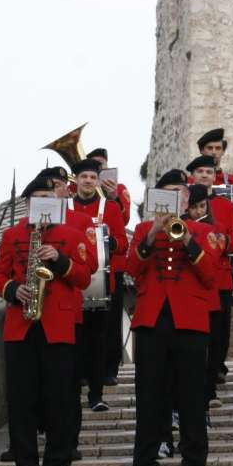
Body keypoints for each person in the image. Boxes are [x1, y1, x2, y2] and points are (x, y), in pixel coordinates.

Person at [0, 174, 93, 466]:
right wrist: (12, 290)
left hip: (58, 328)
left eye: (51, 196)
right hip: (21, 327)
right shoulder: (12, 235)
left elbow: (86, 278)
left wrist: (59, 259)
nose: (45, 202)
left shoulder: (73, 234)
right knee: (21, 402)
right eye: (38, 198)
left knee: (59, 400)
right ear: (29, 203)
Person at [125, 169, 218, 466]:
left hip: (190, 320)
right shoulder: (141, 230)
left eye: (179, 192)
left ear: (187, 198)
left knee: (192, 397)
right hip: (152, 319)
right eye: (167, 191)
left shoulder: (203, 232)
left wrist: (188, 239)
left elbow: (210, 276)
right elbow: (132, 270)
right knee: (149, 397)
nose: (174, 196)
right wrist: (152, 234)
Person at [70, 160, 128, 413]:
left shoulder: (111, 207)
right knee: (75, 340)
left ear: (97, 181)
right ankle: (74, 390)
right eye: (84, 177)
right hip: (72, 284)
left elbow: (123, 243)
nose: (88, 182)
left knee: (99, 340)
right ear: (77, 180)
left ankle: (97, 394)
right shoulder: (66, 207)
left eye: (93, 178)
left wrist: (106, 241)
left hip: (103, 283)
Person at [185, 154, 233, 407]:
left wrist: (220, 242)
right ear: (193, 176)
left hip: (219, 279)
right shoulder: (182, 205)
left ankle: (210, 388)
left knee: (218, 337)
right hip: (189, 281)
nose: (205, 176)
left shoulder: (228, 207)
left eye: (209, 172)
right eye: (200, 172)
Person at [78, 148, 133, 387]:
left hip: (110, 269)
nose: (90, 179)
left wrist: (113, 198)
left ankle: (108, 368)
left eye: (95, 173)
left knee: (108, 323)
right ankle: (81, 370)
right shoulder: (70, 201)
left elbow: (124, 227)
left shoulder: (117, 194)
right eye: (85, 175)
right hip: (78, 271)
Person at [197, 128, 233, 221]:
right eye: (210, 148)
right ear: (202, 150)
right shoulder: (189, 181)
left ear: (223, 152)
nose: (214, 152)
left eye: (218, 148)